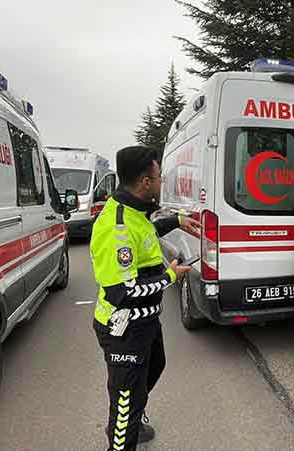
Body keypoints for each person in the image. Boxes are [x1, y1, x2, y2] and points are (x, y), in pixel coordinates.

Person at [91, 146, 201, 451]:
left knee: (155, 367)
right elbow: (121, 292)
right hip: (123, 330)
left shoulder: (135, 213)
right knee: (125, 405)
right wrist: (170, 276)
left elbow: (148, 232)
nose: (162, 182)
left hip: (146, 323)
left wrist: (178, 221)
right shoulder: (118, 227)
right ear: (145, 183)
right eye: (158, 177)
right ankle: (122, 434)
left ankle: (132, 418)